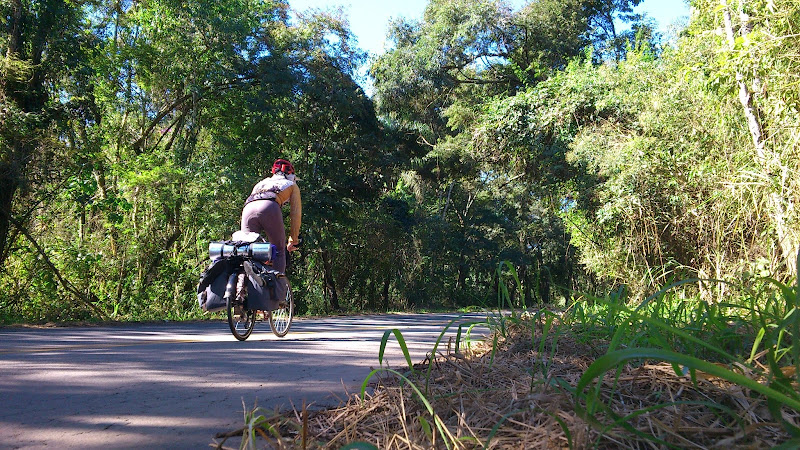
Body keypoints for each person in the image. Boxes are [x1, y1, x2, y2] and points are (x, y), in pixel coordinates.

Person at [240, 158, 301, 274]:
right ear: (290, 174)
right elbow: (296, 214)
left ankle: (243, 285)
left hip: (248, 209)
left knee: (246, 251)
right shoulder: (292, 184)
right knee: (279, 251)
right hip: (269, 205)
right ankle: (278, 288)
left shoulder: (261, 183)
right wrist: (293, 239)